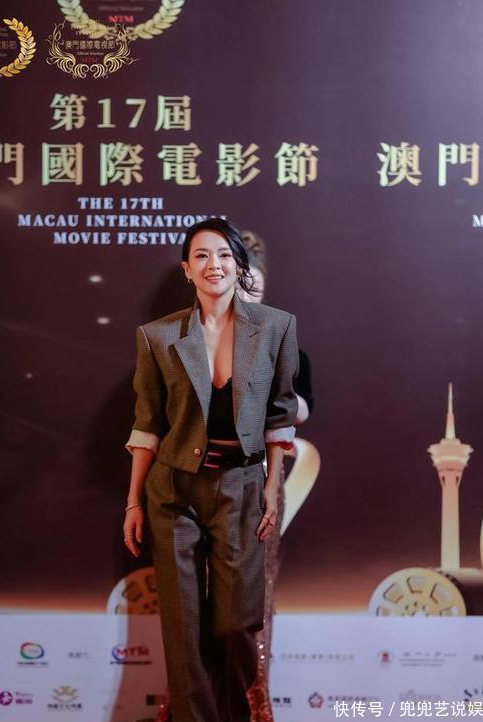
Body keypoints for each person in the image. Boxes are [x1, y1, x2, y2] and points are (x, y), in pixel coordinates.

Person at [123, 217, 299, 722]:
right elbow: (147, 425)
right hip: (173, 491)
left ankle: (234, 713)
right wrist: (134, 501)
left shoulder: (275, 326)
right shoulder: (157, 336)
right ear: (186, 269)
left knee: (234, 624)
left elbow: (281, 416)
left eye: (223, 255)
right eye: (201, 255)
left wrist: (271, 487)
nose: (213, 265)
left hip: (241, 488)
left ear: (238, 264)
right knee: (183, 630)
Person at [239, 229, 314, 722]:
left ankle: (255, 693)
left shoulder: (286, 343)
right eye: (243, 285)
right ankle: (189, 696)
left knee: (258, 587)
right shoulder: (193, 343)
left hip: (264, 479)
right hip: (200, 480)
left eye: (258, 288)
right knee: (196, 589)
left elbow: (303, 409)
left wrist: (275, 390)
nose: (251, 296)